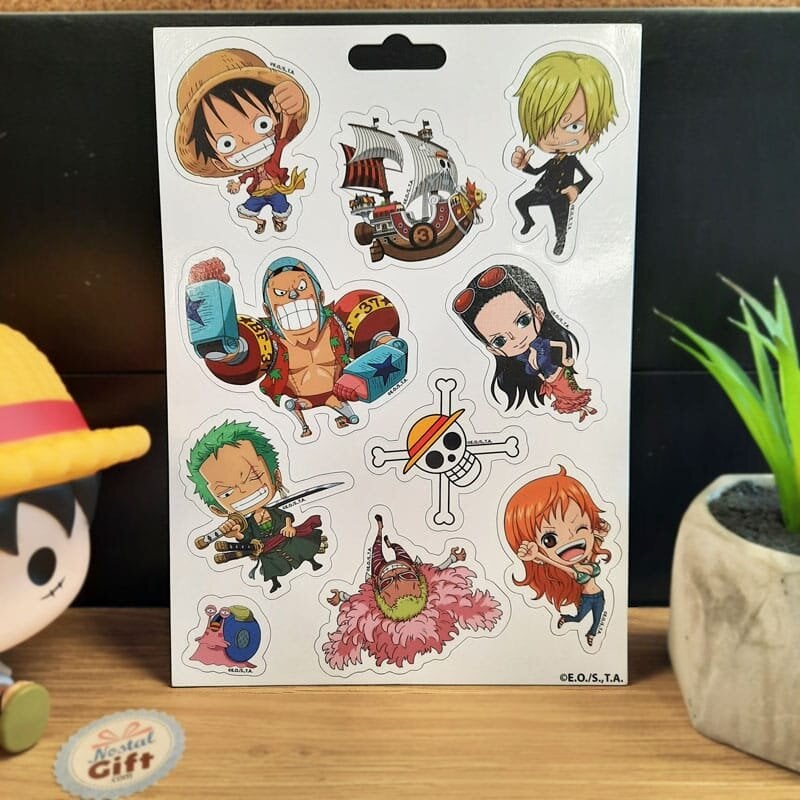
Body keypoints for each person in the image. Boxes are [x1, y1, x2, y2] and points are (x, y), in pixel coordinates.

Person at [186, 255, 406, 437]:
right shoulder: (262, 340)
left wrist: (366, 373)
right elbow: (222, 352)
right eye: (280, 294)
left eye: (301, 287)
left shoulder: (345, 320)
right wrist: (206, 297)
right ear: (267, 310)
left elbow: (392, 345)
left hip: (345, 405)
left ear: (320, 296)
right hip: (299, 402)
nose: (293, 296)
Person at [323, 515, 502, 669]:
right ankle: (386, 539)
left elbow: (357, 603)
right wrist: (452, 558)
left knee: (379, 551)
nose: (397, 580)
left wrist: (342, 597)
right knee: (389, 549)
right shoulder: (438, 589)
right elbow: (440, 574)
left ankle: (383, 537)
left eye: (400, 577)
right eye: (392, 580)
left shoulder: (366, 611)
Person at [174, 48, 309, 234]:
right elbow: (246, 177)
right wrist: (238, 184)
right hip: (258, 194)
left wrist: (291, 107)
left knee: (281, 211)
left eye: (262, 124)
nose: (246, 140)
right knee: (245, 212)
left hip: (276, 191)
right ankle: (259, 221)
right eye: (227, 143)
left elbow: (285, 132)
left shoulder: (275, 151)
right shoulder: (251, 170)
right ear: (220, 163)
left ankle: (278, 222)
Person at [186, 420, 326, 593]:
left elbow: (286, 516)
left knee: (301, 549)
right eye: (227, 493)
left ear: (276, 477)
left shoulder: (273, 511)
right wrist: (236, 534)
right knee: (271, 564)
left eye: (253, 477)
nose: (243, 490)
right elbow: (247, 536)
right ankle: (275, 582)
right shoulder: (248, 522)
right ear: (218, 510)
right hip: (267, 547)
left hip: (285, 539)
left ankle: (312, 561)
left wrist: (288, 526)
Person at [452, 264, 596, 421]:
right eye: (499, 341)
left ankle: (585, 408)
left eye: (523, 321)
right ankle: (582, 410)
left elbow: (558, 347)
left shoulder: (543, 344)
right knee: (565, 398)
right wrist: (542, 377)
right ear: (494, 350)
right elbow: (535, 371)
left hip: (561, 374)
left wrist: (565, 361)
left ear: (538, 312)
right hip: (551, 383)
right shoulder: (520, 366)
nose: (516, 338)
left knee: (572, 393)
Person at [511, 51, 617, 255]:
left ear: (593, 134)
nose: (556, 137)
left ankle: (560, 241)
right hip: (543, 190)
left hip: (560, 196)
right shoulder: (553, 160)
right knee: (520, 202)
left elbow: (588, 177)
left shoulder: (572, 160)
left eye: (574, 126)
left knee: (560, 222)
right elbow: (537, 171)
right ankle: (529, 222)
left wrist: (576, 188)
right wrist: (525, 166)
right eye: (546, 126)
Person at [504, 466, 612, 647]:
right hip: (587, 598)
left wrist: (601, 533)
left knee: (597, 620)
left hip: (599, 596)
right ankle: (566, 618)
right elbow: (559, 565)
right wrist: (538, 555)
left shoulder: (588, 558)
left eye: (581, 528)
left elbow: (593, 540)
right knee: (578, 618)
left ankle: (592, 635)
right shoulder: (574, 571)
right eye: (550, 539)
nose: (570, 539)